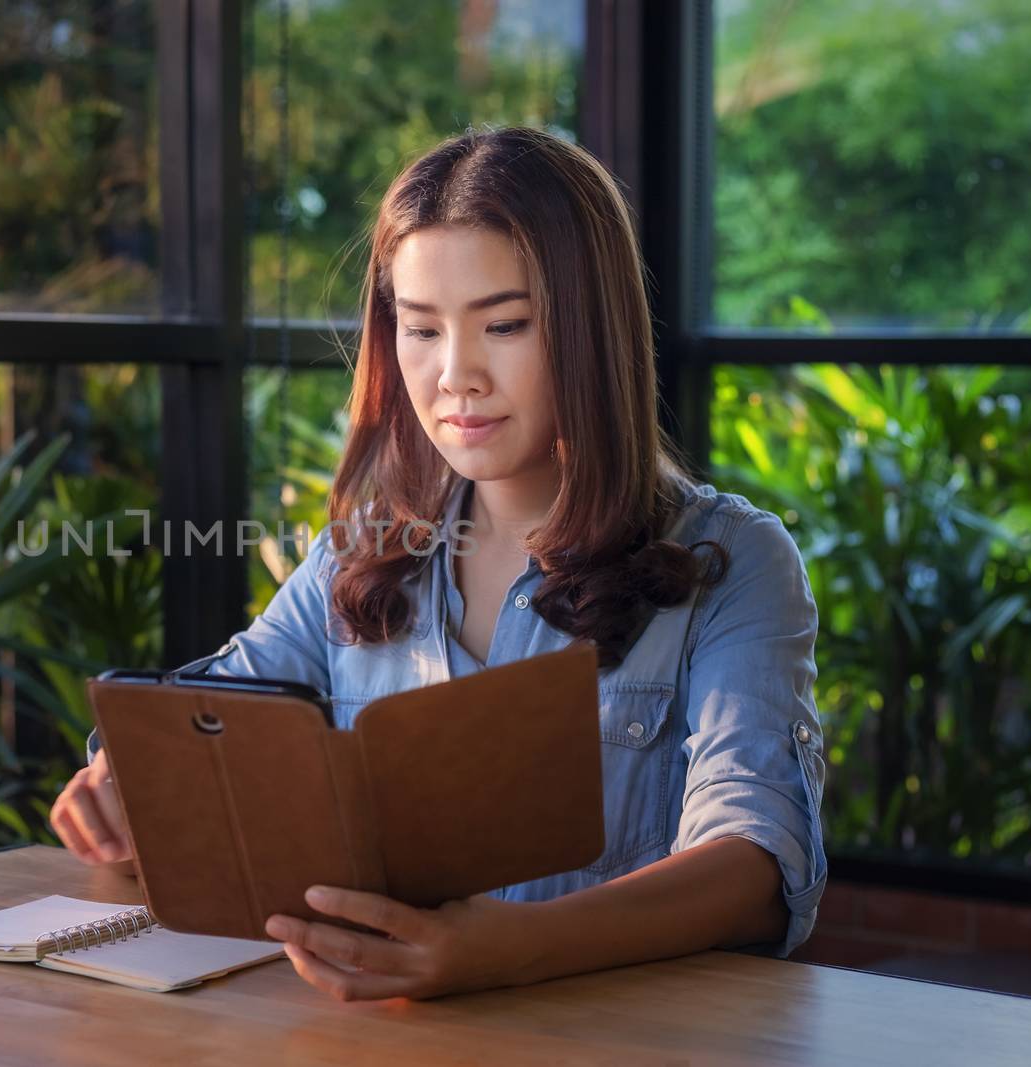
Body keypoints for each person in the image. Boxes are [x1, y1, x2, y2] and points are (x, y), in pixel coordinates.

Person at [48, 125, 827, 1002]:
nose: (456, 375)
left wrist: (511, 947)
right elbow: (213, 713)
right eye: (420, 329)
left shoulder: (732, 562)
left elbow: (757, 864)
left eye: (504, 324)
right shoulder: (364, 552)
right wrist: (124, 780)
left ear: (591, 329)